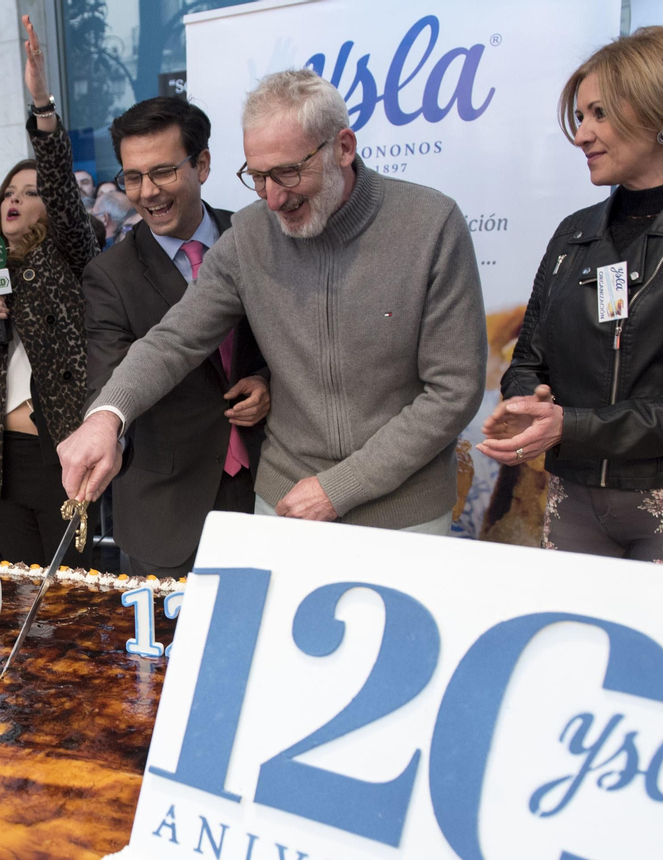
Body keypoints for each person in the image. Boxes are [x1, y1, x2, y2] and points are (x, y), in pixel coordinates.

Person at [58, 69, 486, 534]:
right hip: (285, 504)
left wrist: (338, 488)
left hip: (403, 513)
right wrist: (107, 416)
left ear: (343, 147)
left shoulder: (429, 225)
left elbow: (453, 390)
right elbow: (173, 339)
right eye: (258, 177)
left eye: (288, 172)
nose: (274, 198)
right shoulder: (249, 236)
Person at [481, 27, 663, 571]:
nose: (581, 135)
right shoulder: (574, 234)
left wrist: (570, 426)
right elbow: (527, 361)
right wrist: (528, 406)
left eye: (599, 114)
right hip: (571, 498)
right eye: (580, 116)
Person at [83, 95, 270, 578]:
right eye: (132, 177)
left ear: (202, 163)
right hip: (168, 510)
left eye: (163, 172)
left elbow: (298, 339)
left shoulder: (257, 236)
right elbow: (111, 383)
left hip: (270, 486)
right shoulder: (110, 275)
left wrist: (267, 379)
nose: (147, 192)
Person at [0, 17, 102, 567]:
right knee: (23, 592)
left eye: (31, 190)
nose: (16, 199)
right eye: (9, 192)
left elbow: (64, 189)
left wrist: (42, 103)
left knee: (71, 592)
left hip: (59, 450)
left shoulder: (68, 251)